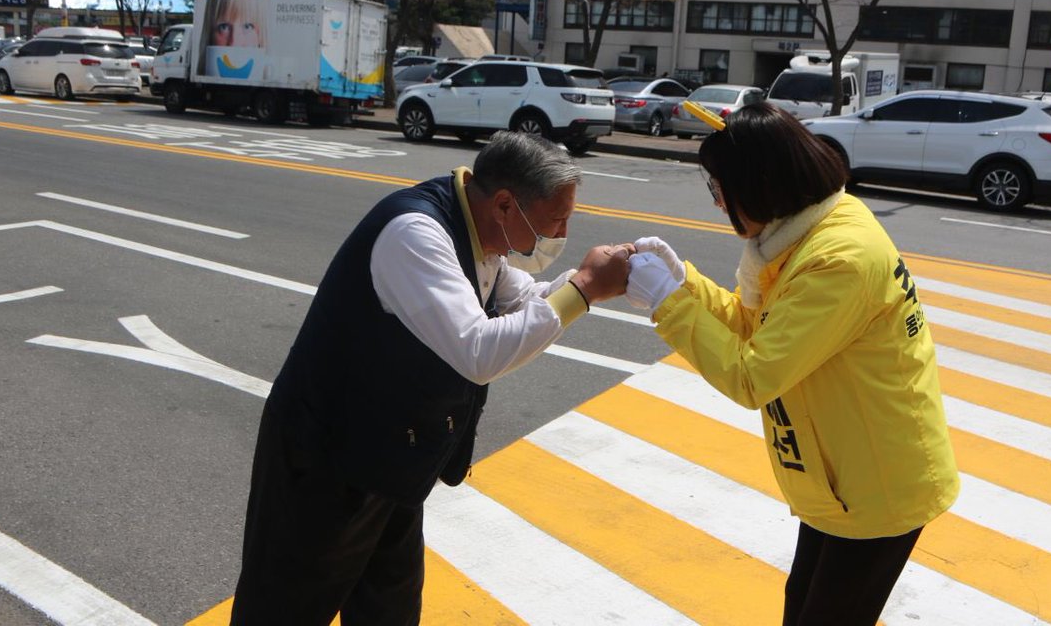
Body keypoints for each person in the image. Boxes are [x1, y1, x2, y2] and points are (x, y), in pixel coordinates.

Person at [231, 131, 632, 625]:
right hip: (327, 462)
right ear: (506, 204)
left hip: (393, 460)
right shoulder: (416, 235)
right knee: (285, 608)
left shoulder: (482, 232)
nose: (561, 232)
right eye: (557, 219)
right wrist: (584, 289)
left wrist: (601, 282)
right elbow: (479, 350)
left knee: (389, 608)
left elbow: (525, 301)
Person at [625, 102, 959, 626]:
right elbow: (759, 325)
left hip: (876, 490)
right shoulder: (801, 236)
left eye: (719, 190)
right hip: (843, 479)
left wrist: (669, 303)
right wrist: (684, 282)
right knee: (805, 605)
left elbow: (752, 374)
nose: (717, 205)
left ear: (760, 184)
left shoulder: (838, 258)